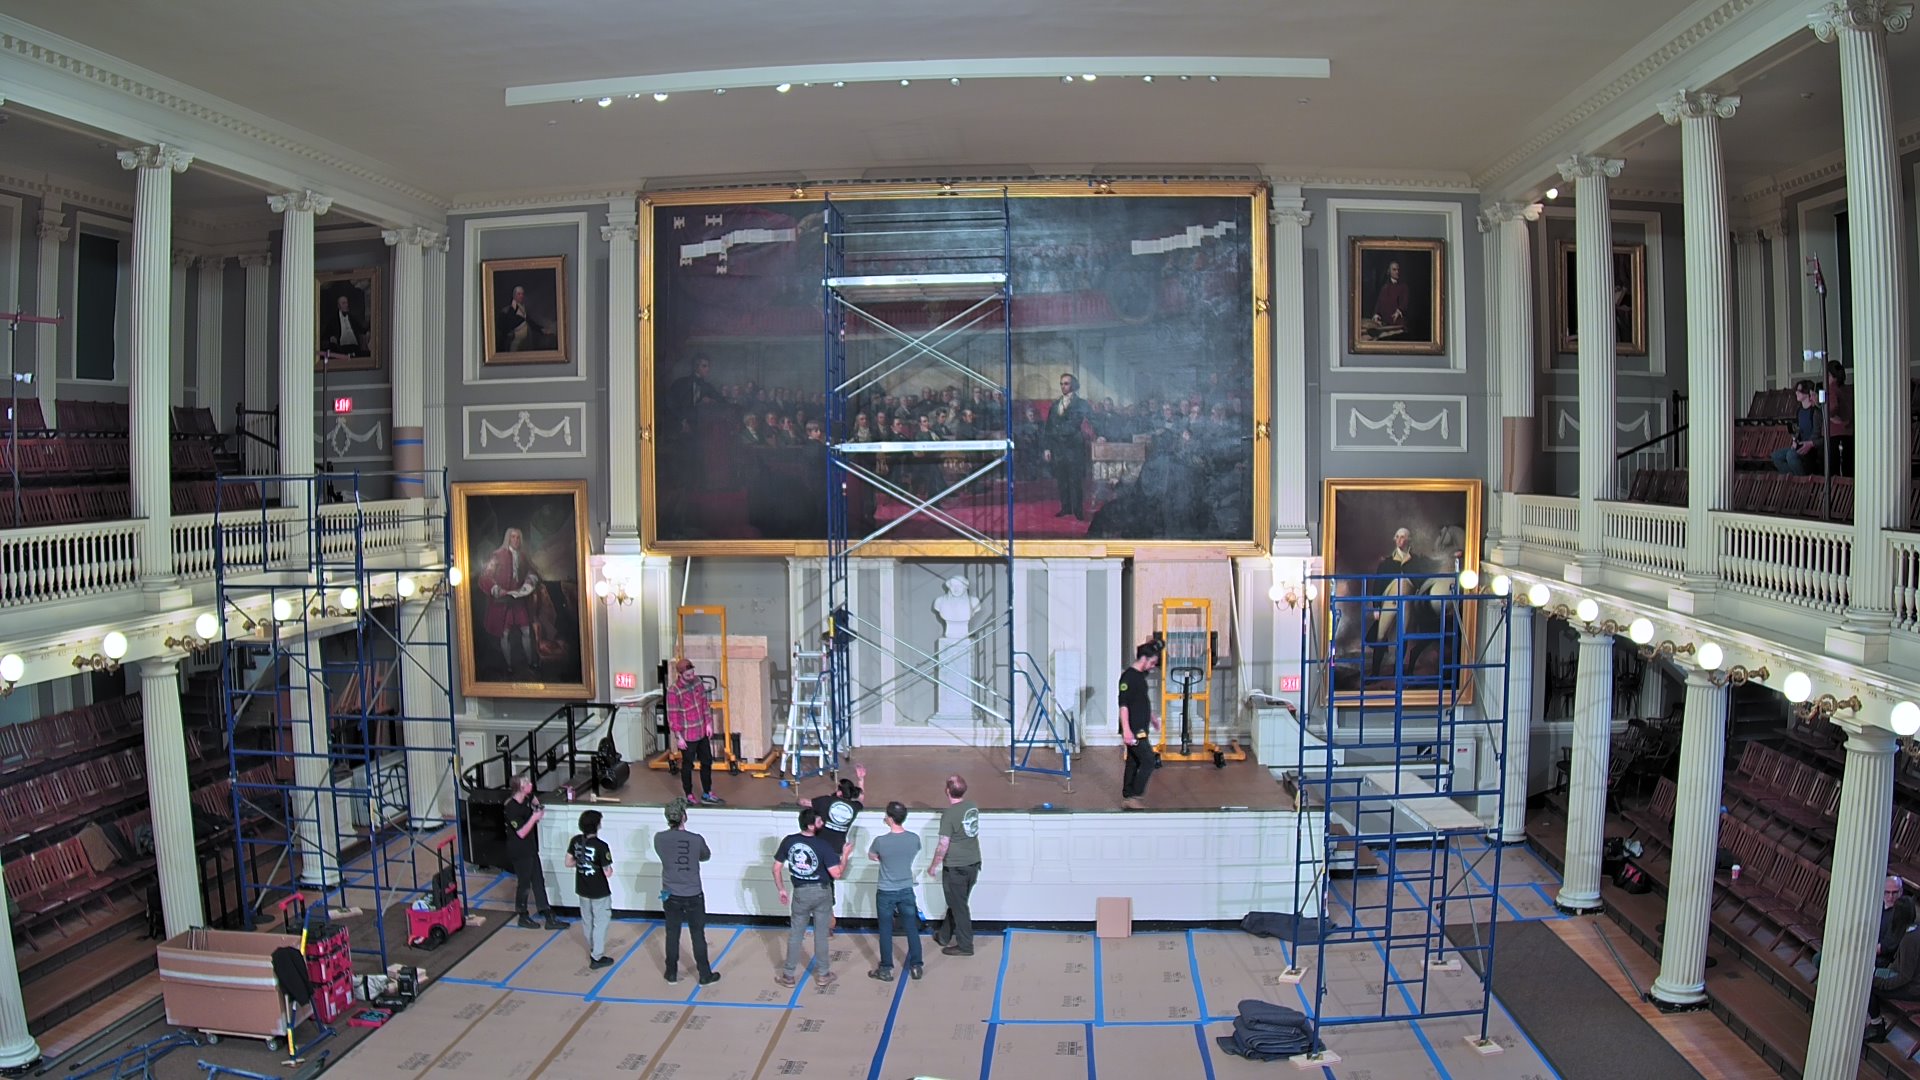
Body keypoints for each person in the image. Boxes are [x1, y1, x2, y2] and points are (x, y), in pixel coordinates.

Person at [773, 807, 847, 989]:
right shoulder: (823, 846)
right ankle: (823, 974)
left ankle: (788, 975)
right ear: (811, 826)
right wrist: (845, 855)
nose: (823, 824)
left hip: (800, 893)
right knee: (821, 935)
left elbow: (776, 868)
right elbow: (837, 874)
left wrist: (782, 890)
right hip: (821, 892)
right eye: (819, 822)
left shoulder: (789, 841)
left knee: (795, 935)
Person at [654, 798, 721, 986]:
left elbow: (663, 855)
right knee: (697, 934)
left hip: (670, 893)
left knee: (672, 933)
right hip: (693, 893)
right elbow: (705, 856)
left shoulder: (659, 838)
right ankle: (705, 975)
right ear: (684, 816)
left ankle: (671, 973)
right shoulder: (695, 839)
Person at [867, 801, 924, 982]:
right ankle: (916, 966)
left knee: (885, 930)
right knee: (911, 928)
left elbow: (872, 855)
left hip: (886, 891)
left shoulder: (880, 841)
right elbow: (915, 850)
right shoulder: (914, 839)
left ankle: (886, 969)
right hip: (906, 889)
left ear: (890, 818)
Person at [926, 774, 982, 957]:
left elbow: (943, 844)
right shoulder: (972, 806)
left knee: (959, 908)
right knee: (958, 902)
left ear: (947, 791)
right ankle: (944, 936)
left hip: (956, 868)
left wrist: (933, 866)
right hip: (973, 864)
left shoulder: (949, 815)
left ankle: (965, 945)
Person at [502, 773, 565, 931]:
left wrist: (537, 808)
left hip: (530, 847)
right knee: (524, 883)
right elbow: (521, 832)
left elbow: (536, 802)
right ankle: (522, 915)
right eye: (527, 783)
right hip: (519, 850)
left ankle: (547, 914)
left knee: (538, 880)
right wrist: (534, 818)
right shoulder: (511, 807)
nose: (531, 784)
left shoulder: (528, 798)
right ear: (521, 787)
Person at [477, 527, 541, 677]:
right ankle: (509, 666)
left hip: (519, 600)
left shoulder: (523, 556)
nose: (516, 540)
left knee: (526, 630)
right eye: (513, 537)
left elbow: (532, 571)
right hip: (503, 602)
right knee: (504, 634)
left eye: (518, 537)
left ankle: (530, 662)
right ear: (508, 538)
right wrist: (497, 590)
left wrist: (529, 583)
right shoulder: (497, 556)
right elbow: (485, 577)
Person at [666, 658, 724, 804]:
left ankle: (707, 792)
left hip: (701, 731)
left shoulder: (697, 682)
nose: (691, 677)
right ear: (680, 675)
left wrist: (708, 724)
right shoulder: (674, 691)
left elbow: (704, 704)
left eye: (692, 673)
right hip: (687, 735)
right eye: (688, 675)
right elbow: (673, 715)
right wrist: (679, 737)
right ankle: (689, 794)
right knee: (687, 765)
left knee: (707, 761)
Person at [564, 809, 615, 969]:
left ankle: (593, 947)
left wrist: (581, 863)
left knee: (587, 920)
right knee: (601, 921)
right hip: (599, 890)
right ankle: (597, 956)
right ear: (597, 825)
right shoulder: (601, 846)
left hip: (582, 887)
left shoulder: (575, 841)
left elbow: (568, 862)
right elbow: (607, 872)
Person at [1867, 896, 1920, 1043]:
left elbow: (1904, 977)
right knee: (1869, 974)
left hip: (1913, 988)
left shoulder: (1910, 939)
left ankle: (1877, 1026)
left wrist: (1879, 981)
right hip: (1899, 975)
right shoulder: (1912, 932)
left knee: (1866, 983)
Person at [1042, 373, 1093, 520]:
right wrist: (1047, 448)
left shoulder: (1081, 404)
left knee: (1075, 480)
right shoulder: (1055, 404)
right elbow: (1048, 428)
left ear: (1073, 385)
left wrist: (1101, 435)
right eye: (1061, 384)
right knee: (1062, 480)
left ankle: (1077, 511)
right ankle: (1065, 508)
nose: (1063, 386)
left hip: (1074, 448)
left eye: (1066, 383)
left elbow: (1088, 421)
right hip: (1058, 449)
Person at [1118, 640, 1161, 811]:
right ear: (1144, 658)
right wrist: (1127, 730)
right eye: (1152, 662)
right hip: (1134, 729)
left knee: (1134, 761)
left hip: (1141, 726)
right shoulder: (1128, 678)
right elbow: (1123, 705)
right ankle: (1135, 796)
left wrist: (1152, 717)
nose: (1152, 666)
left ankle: (1128, 795)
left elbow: (1141, 701)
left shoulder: (1140, 677)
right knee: (1149, 760)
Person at [808, 762, 866, 852]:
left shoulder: (827, 801)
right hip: (838, 848)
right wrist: (861, 779)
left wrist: (798, 800)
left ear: (839, 792)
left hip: (819, 845)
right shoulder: (854, 807)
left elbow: (806, 803)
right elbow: (861, 798)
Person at [1771, 381, 1823, 476]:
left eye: (1799, 391)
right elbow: (1799, 431)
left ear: (1807, 392)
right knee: (1776, 456)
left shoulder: (1815, 412)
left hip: (1811, 449)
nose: (1796, 393)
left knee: (1791, 455)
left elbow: (1817, 434)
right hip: (1800, 445)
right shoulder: (1799, 411)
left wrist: (1808, 444)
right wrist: (1795, 441)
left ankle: (1802, 479)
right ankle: (1795, 477)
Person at [497, 284, 552, 353]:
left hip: (525, 342)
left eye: (522, 294)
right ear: (514, 295)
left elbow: (530, 322)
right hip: (514, 342)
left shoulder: (522, 309)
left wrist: (542, 330)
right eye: (519, 294)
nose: (521, 296)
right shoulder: (507, 311)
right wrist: (511, 333)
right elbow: (504, 326)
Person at [322, 293, 371, 358]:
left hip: (355, 347)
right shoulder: (333, 321)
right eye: (343, 303)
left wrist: (367, 332)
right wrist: (331, 338)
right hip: (341, 348)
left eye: (347, 303)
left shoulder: (352, 318)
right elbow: (325, 336)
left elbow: (362, 329)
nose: (346, 305)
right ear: (338, 306)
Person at [1369, 260, 1409, 336]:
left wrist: (1399, 311)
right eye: (1394, 270)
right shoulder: (1384, 288)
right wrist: (1376, 314)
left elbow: (1404, 302)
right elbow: (1379, 303)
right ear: (1389, 271)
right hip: (1385, 324)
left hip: (1398, 324)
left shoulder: (1403, 287)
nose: (1397, 272)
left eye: (1398, 270)